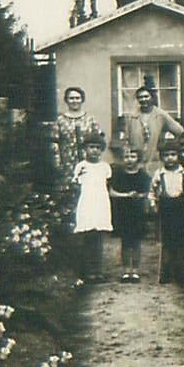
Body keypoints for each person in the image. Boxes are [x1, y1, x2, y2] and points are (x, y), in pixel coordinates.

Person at [148, 138, 184, 284]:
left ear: (179, 155)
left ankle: (180, 273)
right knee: (167, 241)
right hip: (166, 209)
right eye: (166, 155)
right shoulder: (159, 174)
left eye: (173, 154)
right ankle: (165, 273)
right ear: (162, 157)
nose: (170, 158)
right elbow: (152, 191)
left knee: (181, 240)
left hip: (181, 208)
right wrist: (153, 204)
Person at [51, 86, 102, 227]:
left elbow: (99, 142)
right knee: (69, 197)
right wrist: (58, 164)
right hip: (67, 165)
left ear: (82, 100)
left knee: (89, 196)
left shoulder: (90, 120)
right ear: (66, 100)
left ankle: (90, 227)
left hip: (88, 165)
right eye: (71, 98)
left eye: (77, 98)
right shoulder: (60, 120)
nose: (75, 101)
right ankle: (70, 229)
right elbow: (54, 143)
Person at [72, 131, 112, 283]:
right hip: (87, 203)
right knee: (88, 238)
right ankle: (88, 271)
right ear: (85, 149)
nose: (94, 150)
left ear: (101, 150)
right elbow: (76, 185)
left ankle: (98, 271)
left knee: (99, 239)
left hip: (100, 203)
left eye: (97, 147)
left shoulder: (105, 167)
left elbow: (107, 186)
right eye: (91, 147)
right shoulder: (81, 166)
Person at [109, 147, 151, 283]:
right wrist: (126, 195)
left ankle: (136, 271)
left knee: (136, 242)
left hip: (137, 212)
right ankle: (126, 270)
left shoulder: (143, 175)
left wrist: (139, 195)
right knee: (126, 242)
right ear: (122, 159)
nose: (129, 160)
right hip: (123, 212)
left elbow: (148, 191)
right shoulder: (118, 175)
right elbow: (112, 192)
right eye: (126, 157)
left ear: (138, 159)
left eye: (132, 157)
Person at [124, 86, 184, 176]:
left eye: (146, 96)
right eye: (140, 97)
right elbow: (127, 139)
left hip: (155, 160)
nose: (143, 99)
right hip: (137, 162)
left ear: (152, 97)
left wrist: (167, 145)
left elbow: (180, 131)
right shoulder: (132, 116)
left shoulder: (160, 115)